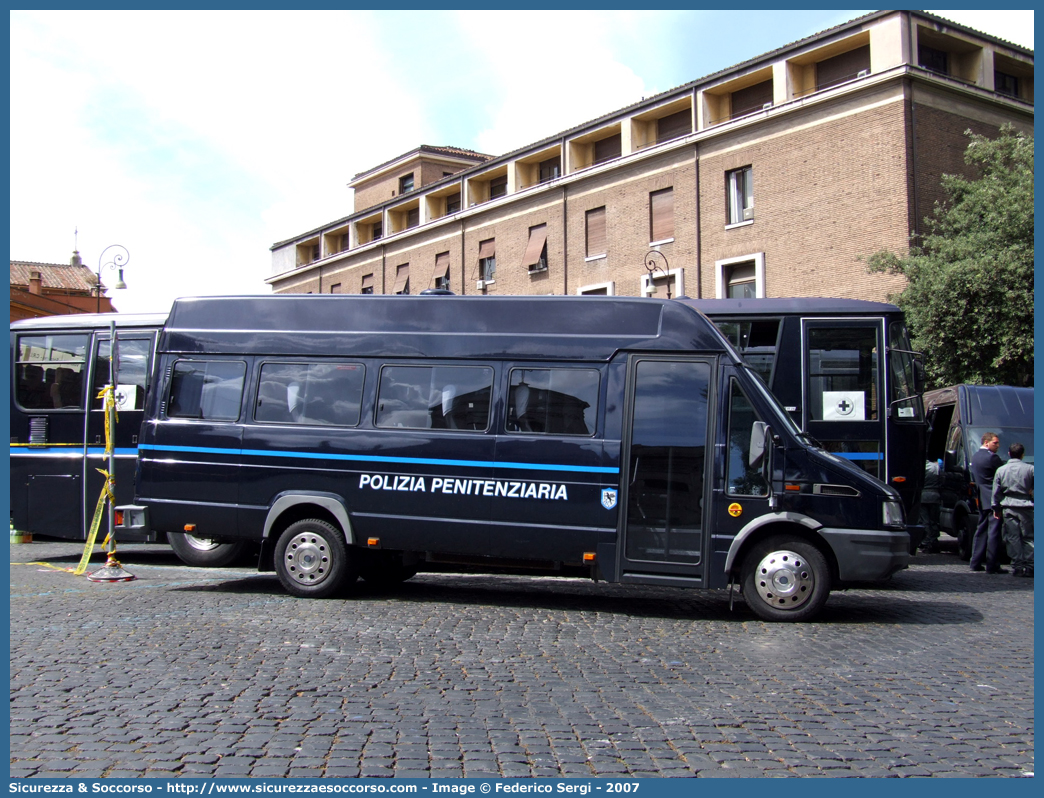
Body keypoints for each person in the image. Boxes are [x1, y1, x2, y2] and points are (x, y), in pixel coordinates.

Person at [992, 442, 1033, 578]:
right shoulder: (1030, 469)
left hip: (1009, 505)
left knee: (1013, 537)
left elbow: (996, 492)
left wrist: (996, 507)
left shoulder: (1001, 470)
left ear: (1009, 453)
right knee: (1029, 537)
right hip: (1026, 505)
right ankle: (1030, 565)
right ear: (1022, 455)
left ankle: (1017, 566)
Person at [969, 432, 1007, 574]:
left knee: (981, 530)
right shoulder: (993, 458)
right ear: (986, 442)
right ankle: (992, 564)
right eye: (995, 443)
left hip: (982, 498)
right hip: (993, 499)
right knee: (994, 533)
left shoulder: (976, 456)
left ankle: (975, 561)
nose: (998, 445)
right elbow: (1001, 477)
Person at [919, 459, 944, 553]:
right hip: (935, 495)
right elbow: (942, 480)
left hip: (923, 495)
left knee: (925, 521)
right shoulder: (936, 467)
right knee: (934, 520)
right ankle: (934, 541)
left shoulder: (920, 467)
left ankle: (926, 541)